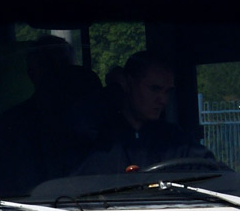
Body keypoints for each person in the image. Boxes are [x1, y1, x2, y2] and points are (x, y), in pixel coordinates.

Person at [0, 35, 104, 192]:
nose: (55, 74)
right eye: (47, 66)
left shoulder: (101, 119)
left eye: (62, 65)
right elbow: (7, 196)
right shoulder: (8, 129)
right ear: (32, 73)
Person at [80, 51, 212, 173]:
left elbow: (216, 173)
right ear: (128, 84)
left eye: (167, 92)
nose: (163, 100)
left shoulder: (176, 140)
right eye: (154, 89)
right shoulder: (97, 142)